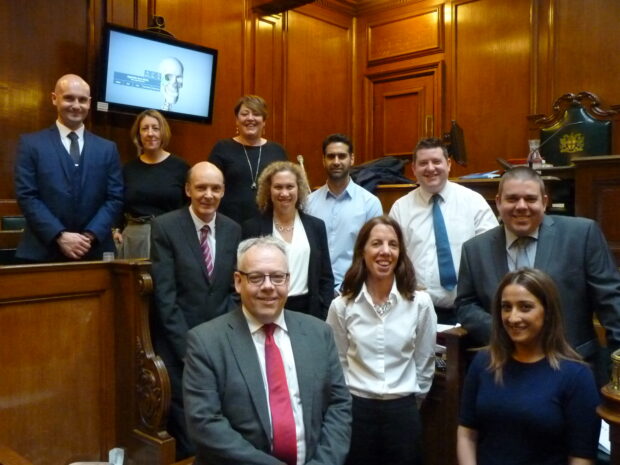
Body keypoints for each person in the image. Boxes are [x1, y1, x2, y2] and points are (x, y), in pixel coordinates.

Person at [183, 236, 352, 465]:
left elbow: (339, 405)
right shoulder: (206, 342)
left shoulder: (319, 333)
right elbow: (205, 424)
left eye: (277, 277)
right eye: (256, 277)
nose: (268, 286)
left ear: (288, 281)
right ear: (238, 281)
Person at [456, 166, 620, 384]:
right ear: (498, 202)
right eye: (512, 199)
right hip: (505, 370)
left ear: (544, 201)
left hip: (574, 366)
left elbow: (611, 300)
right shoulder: (475, 249)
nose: (521, 206)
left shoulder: (581, 235)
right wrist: (504, 331)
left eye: (530, 199)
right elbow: (466, 304)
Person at [457, 268, 600, 465]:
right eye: (506, 307)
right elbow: (467, 433)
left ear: (548, 312)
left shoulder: (577, 376)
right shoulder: (483, 362)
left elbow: (581, 456)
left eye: (525, 307)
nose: (513, 318)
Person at [327, 215, 437, 465]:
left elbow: (425, 359)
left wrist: (413, 398)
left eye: (393, 244)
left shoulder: (419, 303)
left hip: (404, 411)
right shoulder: (341, 306)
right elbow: (338, 360)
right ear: (362, 251)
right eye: (376, 243)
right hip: (357, 411)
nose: (385, 252)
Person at [150, 161, 241, 459]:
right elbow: (165, 298)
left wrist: (223, 340)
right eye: (201, 187)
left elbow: (231, 290)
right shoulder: (165, 227)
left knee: (226, 419)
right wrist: (190, 349)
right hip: (180, 349)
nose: (208, 195)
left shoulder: (232, 228)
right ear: (188, 189)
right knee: (191, 433)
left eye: (215, 188)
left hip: (222, 346)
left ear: (223, 192)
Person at [14, 74, 123, 262]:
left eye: (82, 100)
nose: (76, 105)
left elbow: (115, 197)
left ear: (89, 103)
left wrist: (89, 236)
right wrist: (60, 236)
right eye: (69, 98)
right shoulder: (31, 144)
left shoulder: (107, 148)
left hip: (94, 250)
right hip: (43, 251)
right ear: (54, 99)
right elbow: (27, 196)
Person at [389, 137, 497, 324]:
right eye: (423, 163)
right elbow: (391, 258)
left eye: (436, 161)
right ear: (414, 169)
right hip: (415, 310)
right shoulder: (400, 208)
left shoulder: (474, 202)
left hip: (467, 310)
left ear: (448, 164)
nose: (430, 168)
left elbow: (491, 253)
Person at [242, 161, 334, 320]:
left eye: (290, 187)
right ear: (268, 190)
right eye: (278, 187)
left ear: (299, 189)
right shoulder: (252, 228)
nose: (284, 193)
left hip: (308, 311)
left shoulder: (316, 226)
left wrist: (323, 312)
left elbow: (326, 277)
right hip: (267, 308)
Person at [306, 133, 383, 294]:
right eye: (331, 156)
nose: (336, 162)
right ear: (323, 160)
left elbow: (375, 252)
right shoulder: (308, 203)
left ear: (352, 159)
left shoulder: (370, 203)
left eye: (342, 156)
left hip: (356, 291)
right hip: (318, 293)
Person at [113, 109, 189, 259]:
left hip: (169, 235)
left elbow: (189, 206)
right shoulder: (128, 169)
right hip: (133, 236)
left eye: (155, 128)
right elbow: (118, 203)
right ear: (138, 134)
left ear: (163, 132)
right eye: (144, 128)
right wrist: (115, 229)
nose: (150, 133)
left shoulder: (181, 167)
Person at [208, 95, 288, 225]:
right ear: (237, 120)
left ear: (264, 121)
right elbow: (210, 186)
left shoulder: (277, 151)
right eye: (245, 114)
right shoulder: (222, 148)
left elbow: (287, 187)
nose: (250, 118)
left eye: (256, 114)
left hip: (269, 223)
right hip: (228, 223)